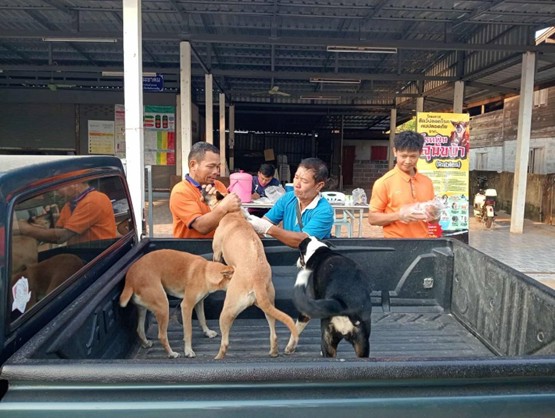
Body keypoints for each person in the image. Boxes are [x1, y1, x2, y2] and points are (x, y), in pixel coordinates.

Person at [247, 157, 334, 248]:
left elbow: (304, 241)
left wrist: (269, 229)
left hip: (312, 255)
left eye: (304, 181)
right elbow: (266, 221)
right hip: (288, 252)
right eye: (296, 177)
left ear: (319, 186)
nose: (297, 184)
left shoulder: (324, 211)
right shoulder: (288, 198)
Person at [368, 130, 438, 238]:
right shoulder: (384, 183)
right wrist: (399, 215)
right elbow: (372, 218)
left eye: (413, 156)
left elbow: (434, 220)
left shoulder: (427, 182)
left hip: (424, 242)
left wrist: (435, 214)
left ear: (420, 152)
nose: (408, 161)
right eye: (403, 156)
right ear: (395, 152)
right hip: (396, 243)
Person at [169, 141, 242, 238]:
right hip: (191, 246)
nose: (216, 171)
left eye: (218, 167)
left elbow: (230, 216)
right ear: (193, 165)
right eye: (211, 166)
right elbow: (201, 227)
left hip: (218, 243)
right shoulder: (181, 191)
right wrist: (224, 206)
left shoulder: (219, 185)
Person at [18, 182, 117, 245]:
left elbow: (61, 237)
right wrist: (39, 226)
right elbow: (57, 231)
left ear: (75, 184)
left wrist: (27, 229)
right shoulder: (70, 204)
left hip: (99, 252)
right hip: (80, 250)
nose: (56, 193)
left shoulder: (94, 200)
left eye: (58, 189)